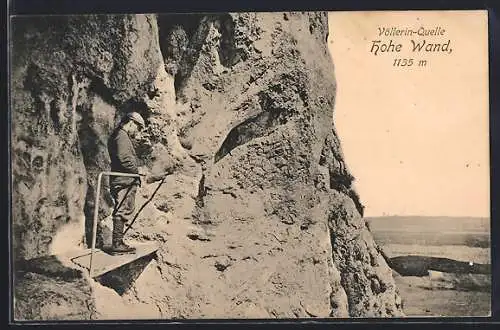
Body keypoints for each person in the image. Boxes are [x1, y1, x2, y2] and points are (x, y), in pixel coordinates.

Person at [107, 111, 146, 255]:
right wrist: (137, 170)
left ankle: (119, 242)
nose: (137, 131)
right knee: (122, 210)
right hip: (124, 180)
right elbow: (124, 158)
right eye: (138, 127)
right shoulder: (121, 136)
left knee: (123, 209)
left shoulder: (119, 136)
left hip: (123, 179)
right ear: (131, 123)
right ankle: (117, 244)